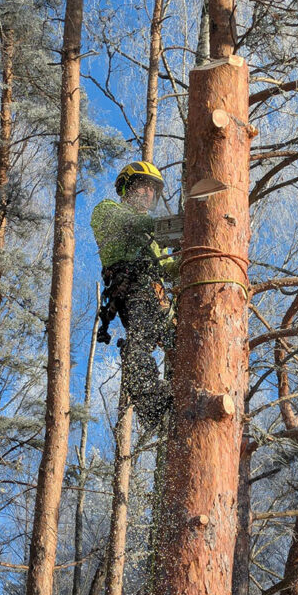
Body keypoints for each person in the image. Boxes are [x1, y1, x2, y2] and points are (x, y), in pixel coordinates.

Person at [91, 161, 176, 431]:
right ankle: (149, 400)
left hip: (158, 295)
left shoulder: (151, 237)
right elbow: (130, 223)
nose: (148, 194)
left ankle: (181, 393)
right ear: (127, 187)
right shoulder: (107, 210)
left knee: (183, 340)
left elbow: (167, 268)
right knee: (141, 339)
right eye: (143, 186)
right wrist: (173, 226)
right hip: (132, 288)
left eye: (153, 190)